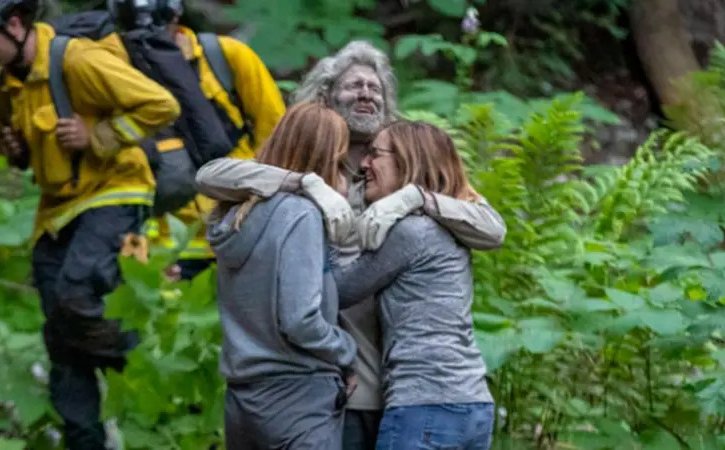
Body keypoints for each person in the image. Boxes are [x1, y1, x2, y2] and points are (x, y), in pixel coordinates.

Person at [195, 40, 505, 450]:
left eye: (375, 88)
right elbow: (211, 176)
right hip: (335, 384)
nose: (366, 93)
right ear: (325, 96)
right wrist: (305, 183)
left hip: (404, 388)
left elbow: (492, 228)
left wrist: (415, 198)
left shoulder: (399, 170)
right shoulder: (305, 168)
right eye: (354, 85)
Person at [0, 0, 180, 448]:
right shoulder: (8, 84)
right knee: (60, 337)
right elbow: (30, 157)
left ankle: (146, 367)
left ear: (16, 25)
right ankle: (85, 440)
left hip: (115, 190)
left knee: (76, 294)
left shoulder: (77, 58)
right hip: (55, 210)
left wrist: (97, 135)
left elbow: (162, 105)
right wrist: (17, 150)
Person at [335, 121, 495, 450]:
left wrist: (315, 238)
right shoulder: (447, 224)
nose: (364, 164)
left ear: (409, 160)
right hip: (472, 404)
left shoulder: (411, 231)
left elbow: (341, 290)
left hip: (425, 407)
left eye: (374, 155)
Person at [207, 102, 357, 450]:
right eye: (340, 163)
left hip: (243, 401)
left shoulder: (238, 216)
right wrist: (346, 351)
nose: (346, 179)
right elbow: (300, 319)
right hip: (297, 400)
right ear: (323, 162)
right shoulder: (301, 215)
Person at [148, 0, 285, 279]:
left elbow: (277, 136)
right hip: (165, 243)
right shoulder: (117, 67)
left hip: (239, 230)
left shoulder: (224, 56)